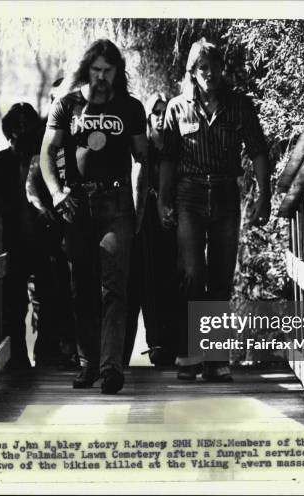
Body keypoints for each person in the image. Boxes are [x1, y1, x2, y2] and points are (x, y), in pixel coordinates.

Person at [158, 39, 272, 381]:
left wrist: (264, 195)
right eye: (201, 68)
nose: (209, 73)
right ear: (193, 72)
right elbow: (167, 159)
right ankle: (189, 354)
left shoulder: (239, 106)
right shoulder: (177, 108)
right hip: (189, 195)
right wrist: (164, 199)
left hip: (225, 193)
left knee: (221, 275)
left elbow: (258, 152)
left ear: (222, 68)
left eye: (214, 66)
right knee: (192, 273)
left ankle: (216, 359)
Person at [39, 39, 148, 394]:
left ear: (118, 72)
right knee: (82, 287)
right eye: (96, 70)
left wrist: (139, 201)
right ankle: (88, 363)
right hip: (77, 203)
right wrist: (57, 193)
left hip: (117, 203)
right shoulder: (65, 105)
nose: (101, 77)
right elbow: (47, 153)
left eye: (108, 71)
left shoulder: (131, 108)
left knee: (114, 289)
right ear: (87, 69)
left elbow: (143, 159)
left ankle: (111, 368)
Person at [25, 78, 78, 369]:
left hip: (81, 222)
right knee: (51, 290)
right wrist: (43, 208)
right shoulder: (42, 133)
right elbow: (32, 178)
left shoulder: (83, 124)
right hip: (51, 226)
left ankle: (79, 351)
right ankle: (49, 354)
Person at [0, 102, 44, 373]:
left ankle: (45, 358)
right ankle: (18, 360)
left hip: (43, 242)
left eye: (26, 130)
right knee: (15, 304)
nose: (19, 136)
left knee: (46, 301)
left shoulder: (46, 161)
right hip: (13, 244)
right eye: (15, 131)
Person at [123, 93, 178, 367]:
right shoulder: (140, 148)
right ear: (147, 116)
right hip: (144, 222)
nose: (160, 116)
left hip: (174, 219)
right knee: (146, 281)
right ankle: (155, 344)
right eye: (155, 112)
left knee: (178, 279)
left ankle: (182, 346)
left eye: (165, 111)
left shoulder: (179, 146)